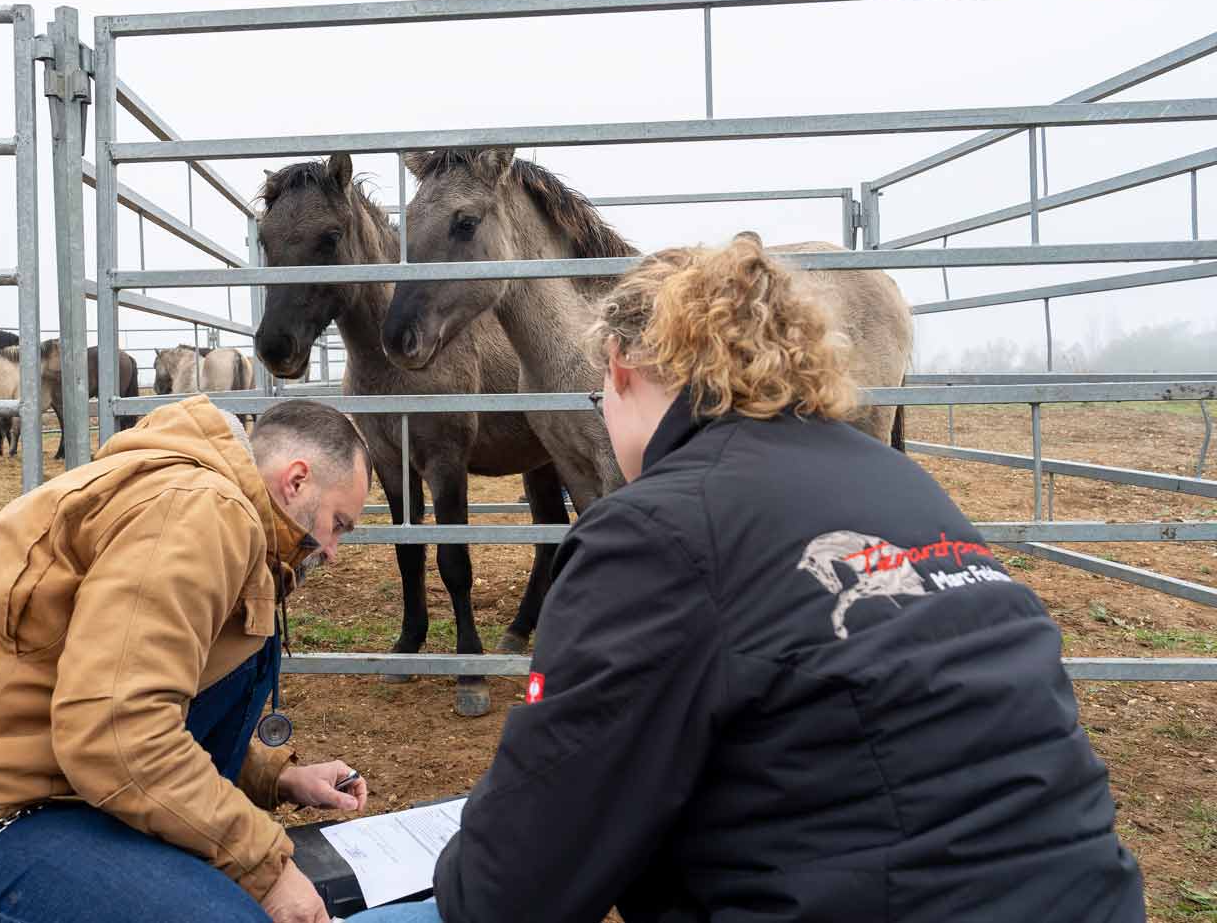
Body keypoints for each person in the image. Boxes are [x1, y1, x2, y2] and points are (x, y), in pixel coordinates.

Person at [355, 236, 1143, 923]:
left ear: (624, 367)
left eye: (599, 384)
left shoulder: (652, 528)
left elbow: (511, 889)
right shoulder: (911, 491)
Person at [0, 394, 374, 923]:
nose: (332, 549)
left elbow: (139, 703)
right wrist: (266, 871)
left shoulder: (220, 516)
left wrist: (276, 778)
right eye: (338, 524)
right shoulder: (201, 509)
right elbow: (115, 733)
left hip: (41, 795)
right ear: (297, 479)